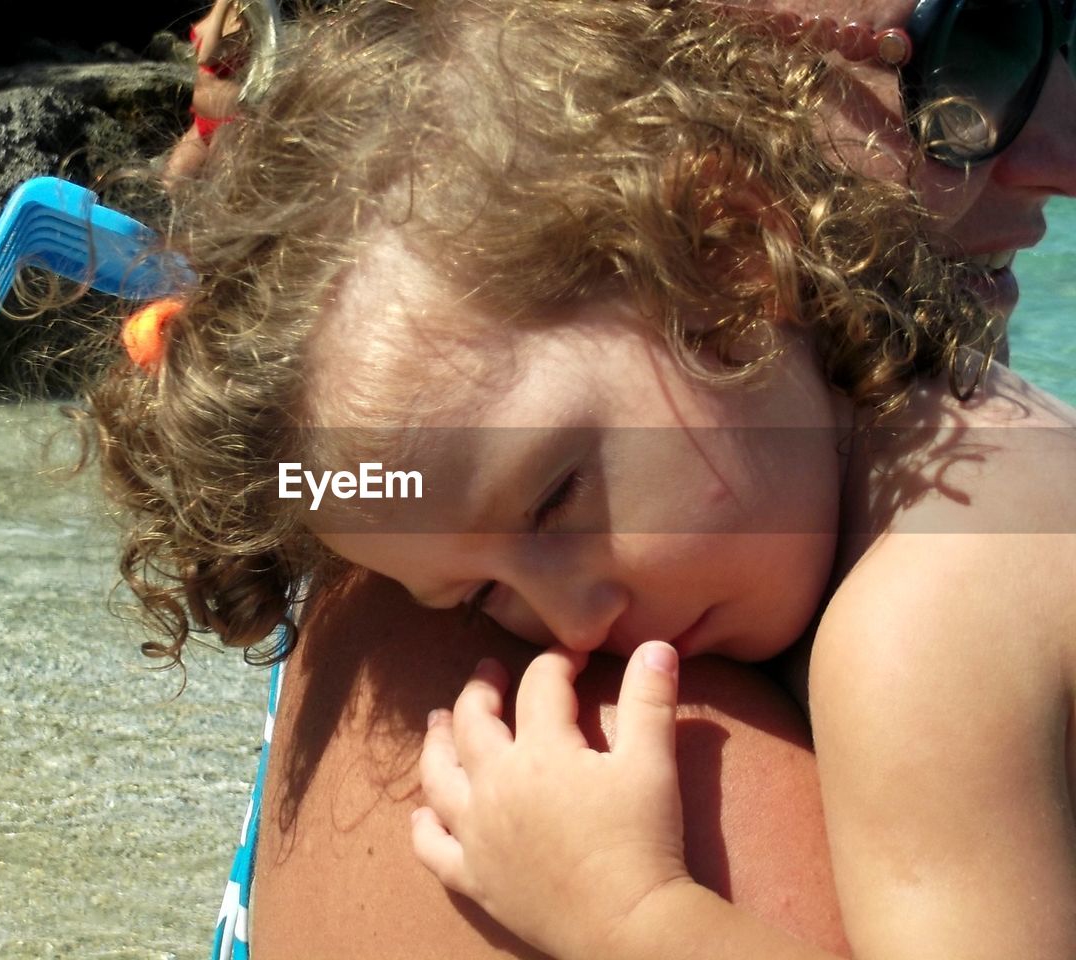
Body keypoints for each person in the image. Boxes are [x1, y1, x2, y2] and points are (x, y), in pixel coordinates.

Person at [76, 2, 1073, 958]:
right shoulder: (959, 432)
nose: (576, 619)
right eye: (477, 593)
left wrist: (630, 915)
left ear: (723, 264)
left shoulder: (920, 629)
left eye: (554, 500)